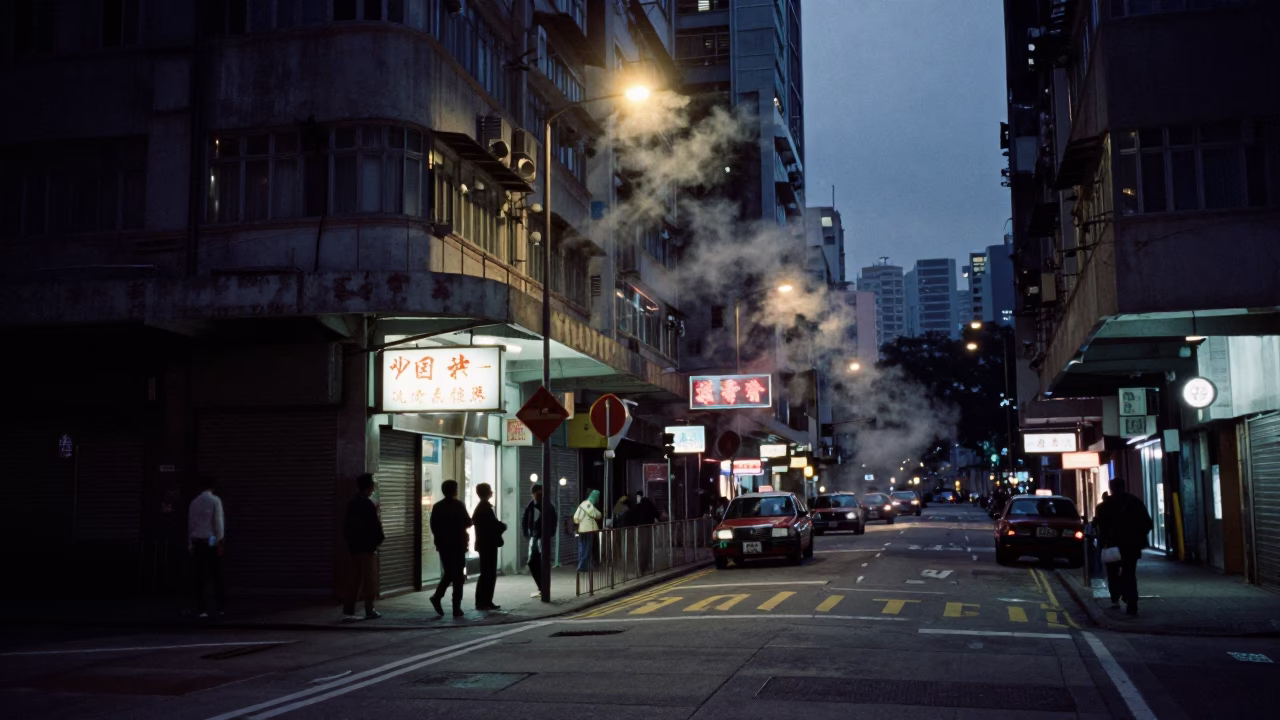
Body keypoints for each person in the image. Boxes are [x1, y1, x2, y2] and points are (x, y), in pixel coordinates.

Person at [1095, 478, 1153, 616]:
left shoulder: (1104, 506)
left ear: (1111, 488)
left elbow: (1102, 528)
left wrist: (1100, 545)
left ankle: (1116, 597)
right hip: (1131, 546)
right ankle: (1132, 604)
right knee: (1130, 574)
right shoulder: (1135, 502)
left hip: (1112, 545)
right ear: (1124, 486)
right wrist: (1137, 537)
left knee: (1112, 573)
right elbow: (1148, 524)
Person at [342, 473, 385, 621]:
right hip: (368, 547)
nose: (375, 486)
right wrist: (378, 540)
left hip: (354, 547)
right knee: (369, 579)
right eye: (374, 484)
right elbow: (374, 526)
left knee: (355, 578)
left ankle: (349, 608)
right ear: (370, 486)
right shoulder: (368, 503)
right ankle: (369, 609)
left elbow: (347, 526)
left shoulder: (352, 502)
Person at [429, 479, 472, 617]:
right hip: (458, 545)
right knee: (457, 576)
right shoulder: (458, 505)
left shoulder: (437, 507)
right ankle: (455, 607)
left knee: (449, 573)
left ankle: (438, 597)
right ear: (454, 490)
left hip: (444, 545)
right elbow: (468, 522)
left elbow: (433, 526)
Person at [188, 476, 227, 618]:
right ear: (213, 487)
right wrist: (219, 542)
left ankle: (201, 608)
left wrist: (190, 544)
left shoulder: (194, 502)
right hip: (210, 540)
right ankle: (220, 607)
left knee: (199, 577)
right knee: (216, 575)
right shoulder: (215, 501)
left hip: (197, 541)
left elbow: (191, 525)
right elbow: (218, 523)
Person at [471, 483, 506, 611]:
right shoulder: (484, 508)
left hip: (485, 544)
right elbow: (491, 526)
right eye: (490, 490)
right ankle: (483, 601)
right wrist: (502, 526)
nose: (492, 492)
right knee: (488, 573)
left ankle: (485, 600)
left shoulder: (482, 507)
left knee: (488, 573)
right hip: (487, 544)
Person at [521, 484, 557, 599]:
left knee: (543, 563)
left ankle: (544, 588)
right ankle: (541, 587)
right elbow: (525, 519)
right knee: (532, 562)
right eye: (536, 492)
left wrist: (550, 534)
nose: (536, 495)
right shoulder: (531, 505)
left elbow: (553, 521)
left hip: (543, 538)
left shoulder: (548, 506)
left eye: (539, 492)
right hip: (534, 538)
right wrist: (526, 534)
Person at [573, 490, 602, 573]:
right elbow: (597, 515)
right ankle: (582, 566)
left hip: (581, 530)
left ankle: (583, 565)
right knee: (587, 548)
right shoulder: (589, 505)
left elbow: (576, 518)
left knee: (582, 548)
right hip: (589, 530)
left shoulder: (582, 504)